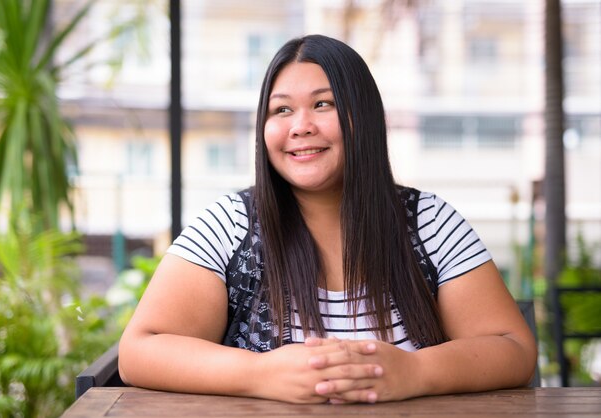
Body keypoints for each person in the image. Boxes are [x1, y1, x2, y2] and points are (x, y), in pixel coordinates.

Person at [118, 34, 537, 404]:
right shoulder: (228, 225)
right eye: (281, 110)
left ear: (364, 117)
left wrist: (415, 372)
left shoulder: (429, 222)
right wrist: (261, 374)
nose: (300, 126)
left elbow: (512, 348)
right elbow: (140, 350)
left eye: (323, 104)